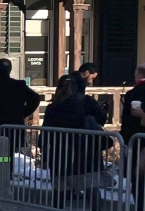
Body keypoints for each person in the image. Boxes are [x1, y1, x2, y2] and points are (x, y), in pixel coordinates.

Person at [43, 74, 110, 209]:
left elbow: (45, 132)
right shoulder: (86, 102)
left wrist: (45, 153)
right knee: (91, 189)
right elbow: (102, 117)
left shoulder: (54, 106)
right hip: (87, 153)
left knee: (59, 190)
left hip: (60, 155)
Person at [121, 64, 145, 211]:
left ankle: (140, 206)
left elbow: (127, 121)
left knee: (138, 179)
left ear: (138, 75)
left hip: (136, 141)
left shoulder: (133, 93)